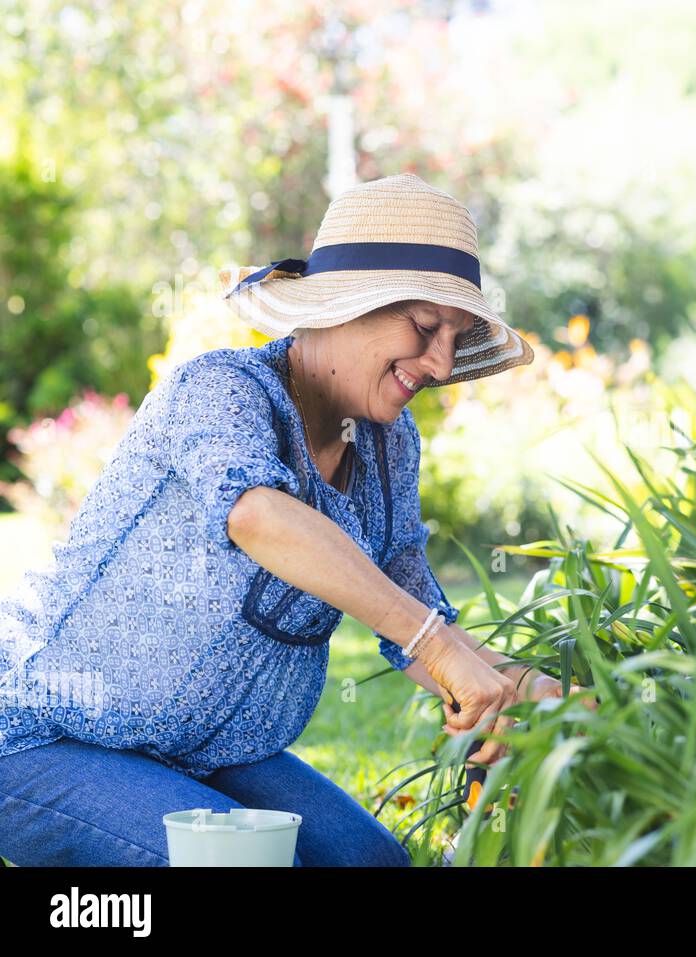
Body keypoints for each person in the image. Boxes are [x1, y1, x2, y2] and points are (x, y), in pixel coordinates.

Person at [0, 173, 571, 866]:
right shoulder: (221, 389)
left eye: (456, 337)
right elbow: (258, 514)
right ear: (345, 305)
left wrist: (536, 695)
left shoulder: (388, 444)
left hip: (209, 750)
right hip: (50, 734)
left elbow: (412, 612)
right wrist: (439, 649)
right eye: (425, 327)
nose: (443, 361)